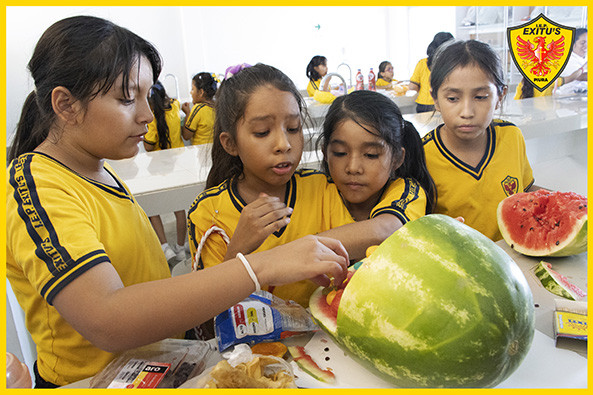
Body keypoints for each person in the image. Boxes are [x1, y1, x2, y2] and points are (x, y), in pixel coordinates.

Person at [6, 16, 349, 387]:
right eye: (126, 99)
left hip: (153, 369)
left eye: (146, 96)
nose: (146, 115)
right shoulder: (36, 186)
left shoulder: (95, 169)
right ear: (66, 105)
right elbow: (107, 318)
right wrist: (258, 268)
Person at [423, 39, 539, 241]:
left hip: (515, 257)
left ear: (500, 96)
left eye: (481, 96)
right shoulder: (422, 154)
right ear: (435, 99)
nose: (467, 112)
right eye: (452, 99)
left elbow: (526, 193)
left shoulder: (512, 136)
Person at [317, 90, 436, 229]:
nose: (353, 168)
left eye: (370, 155)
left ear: (396, 159)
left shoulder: (406, 193)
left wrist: (301, 248)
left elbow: (383, 231)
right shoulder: (316, 192)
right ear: (325, 153)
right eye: (340, 153)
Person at [143, 80, 188, 263]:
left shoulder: (151, 116)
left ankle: (165, 247)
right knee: (179, 209)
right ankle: (180, 246)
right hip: (177, 163)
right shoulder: (176, 105)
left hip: (157, 166)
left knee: (154, 209)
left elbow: (148, 146)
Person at [409, 32, 454, 113]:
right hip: (445, 104)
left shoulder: (422, 63)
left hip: (423, 105)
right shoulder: (452, 65)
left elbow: (412, 87)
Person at [181, 72, 217, 145]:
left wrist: (187, 113)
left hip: (200, 152)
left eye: (192, 89)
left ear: (201, 92)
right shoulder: (217, 107)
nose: (191, 93)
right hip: (214, 151)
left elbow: (186, 135)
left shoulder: (198, 108)